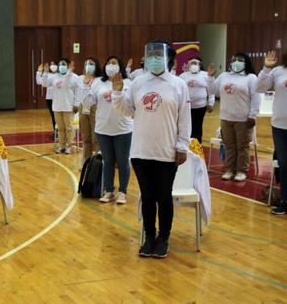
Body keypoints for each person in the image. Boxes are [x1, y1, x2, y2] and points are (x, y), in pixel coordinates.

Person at [112, 41, 191, 258]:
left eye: (159, 54)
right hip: (141, 151)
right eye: (151, 55)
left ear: (167, 57)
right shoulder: (138, 83)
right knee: (147, 197)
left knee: (164, 197)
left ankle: (163, 238)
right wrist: (118, 93)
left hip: (167, 151)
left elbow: (184, 119)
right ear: (146, 58)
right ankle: (149, 237)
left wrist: (182, 146)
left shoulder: (178, 85)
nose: (154, 58)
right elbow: (127, 111)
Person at [85, 56, 133, 205]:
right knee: (108, 161)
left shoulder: (128, 83)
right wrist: (85, 86)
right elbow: (87, 102)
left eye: (114, 63)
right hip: (102, 128)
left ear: (120, 66)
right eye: (108, 63)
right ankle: (109, 190)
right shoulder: (98, 82)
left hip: (122, 128)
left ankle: (123, 191)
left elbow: (131, 105)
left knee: (123, 161)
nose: (110, 65)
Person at [208, 53, 260, 182]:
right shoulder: (224, 76)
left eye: (240, 60)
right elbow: (212, 90)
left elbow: (256, 97)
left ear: (246, 62)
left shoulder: (251, 78)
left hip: (243, 118)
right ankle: (229, 169)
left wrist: (252, 115)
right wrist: (210, 77)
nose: (237, 62)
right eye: (234, 59)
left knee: (242, 146)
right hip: (226, 117)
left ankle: (242, 170)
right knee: (229, 146)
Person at [258, 51, 287, 214]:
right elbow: (260, 87)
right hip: (280, 126)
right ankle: (284, 201)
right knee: (284, 165)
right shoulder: (278, 71)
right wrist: (266, 69)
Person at [39, 58, 79, 154]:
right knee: (60, 128)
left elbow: (77, 91)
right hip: (57, 106)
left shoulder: (74, 77)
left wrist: (76, 103)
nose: (61, 66)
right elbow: (44, 84)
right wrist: (45, 72)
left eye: (64, 64)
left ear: (68, 65)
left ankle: (69, 146)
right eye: (60, 64)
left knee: (69, 127)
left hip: (68, 106)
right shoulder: (54, 76)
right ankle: (62, 145)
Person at [178, 57, 215, 143]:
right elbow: (179, 91)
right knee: (186, 127)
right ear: (188, 64)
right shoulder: (183, 76)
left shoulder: (206, 75)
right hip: (186, 107)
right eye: (192, 63)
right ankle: (187, 145)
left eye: (195, 63)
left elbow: (211, 91)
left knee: (197, 127)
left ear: (200, 64)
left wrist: (211, 103)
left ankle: (198, 145)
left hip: (200, 107)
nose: (193, 65)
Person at [77, 57, 102, 164]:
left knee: (96, 138)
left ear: (96, 66)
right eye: (86, 63)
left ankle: (97, 163)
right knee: (86, 137)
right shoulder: (80, 78)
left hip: (95, 107)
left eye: (91, 63)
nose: (88, 65)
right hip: (83, 107)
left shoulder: (100, 80)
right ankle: (86, 162)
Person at [36, 60, 58, 140]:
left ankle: (60, 132)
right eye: (51, 64)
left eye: (54, 64)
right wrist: (39, 71)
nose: (52, 66)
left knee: (58, 116)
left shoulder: (59, 75)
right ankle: (55, 132)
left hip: (58, 98)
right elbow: (39, 81)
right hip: (49, 98)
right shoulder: (47, 74)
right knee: (53, 116)